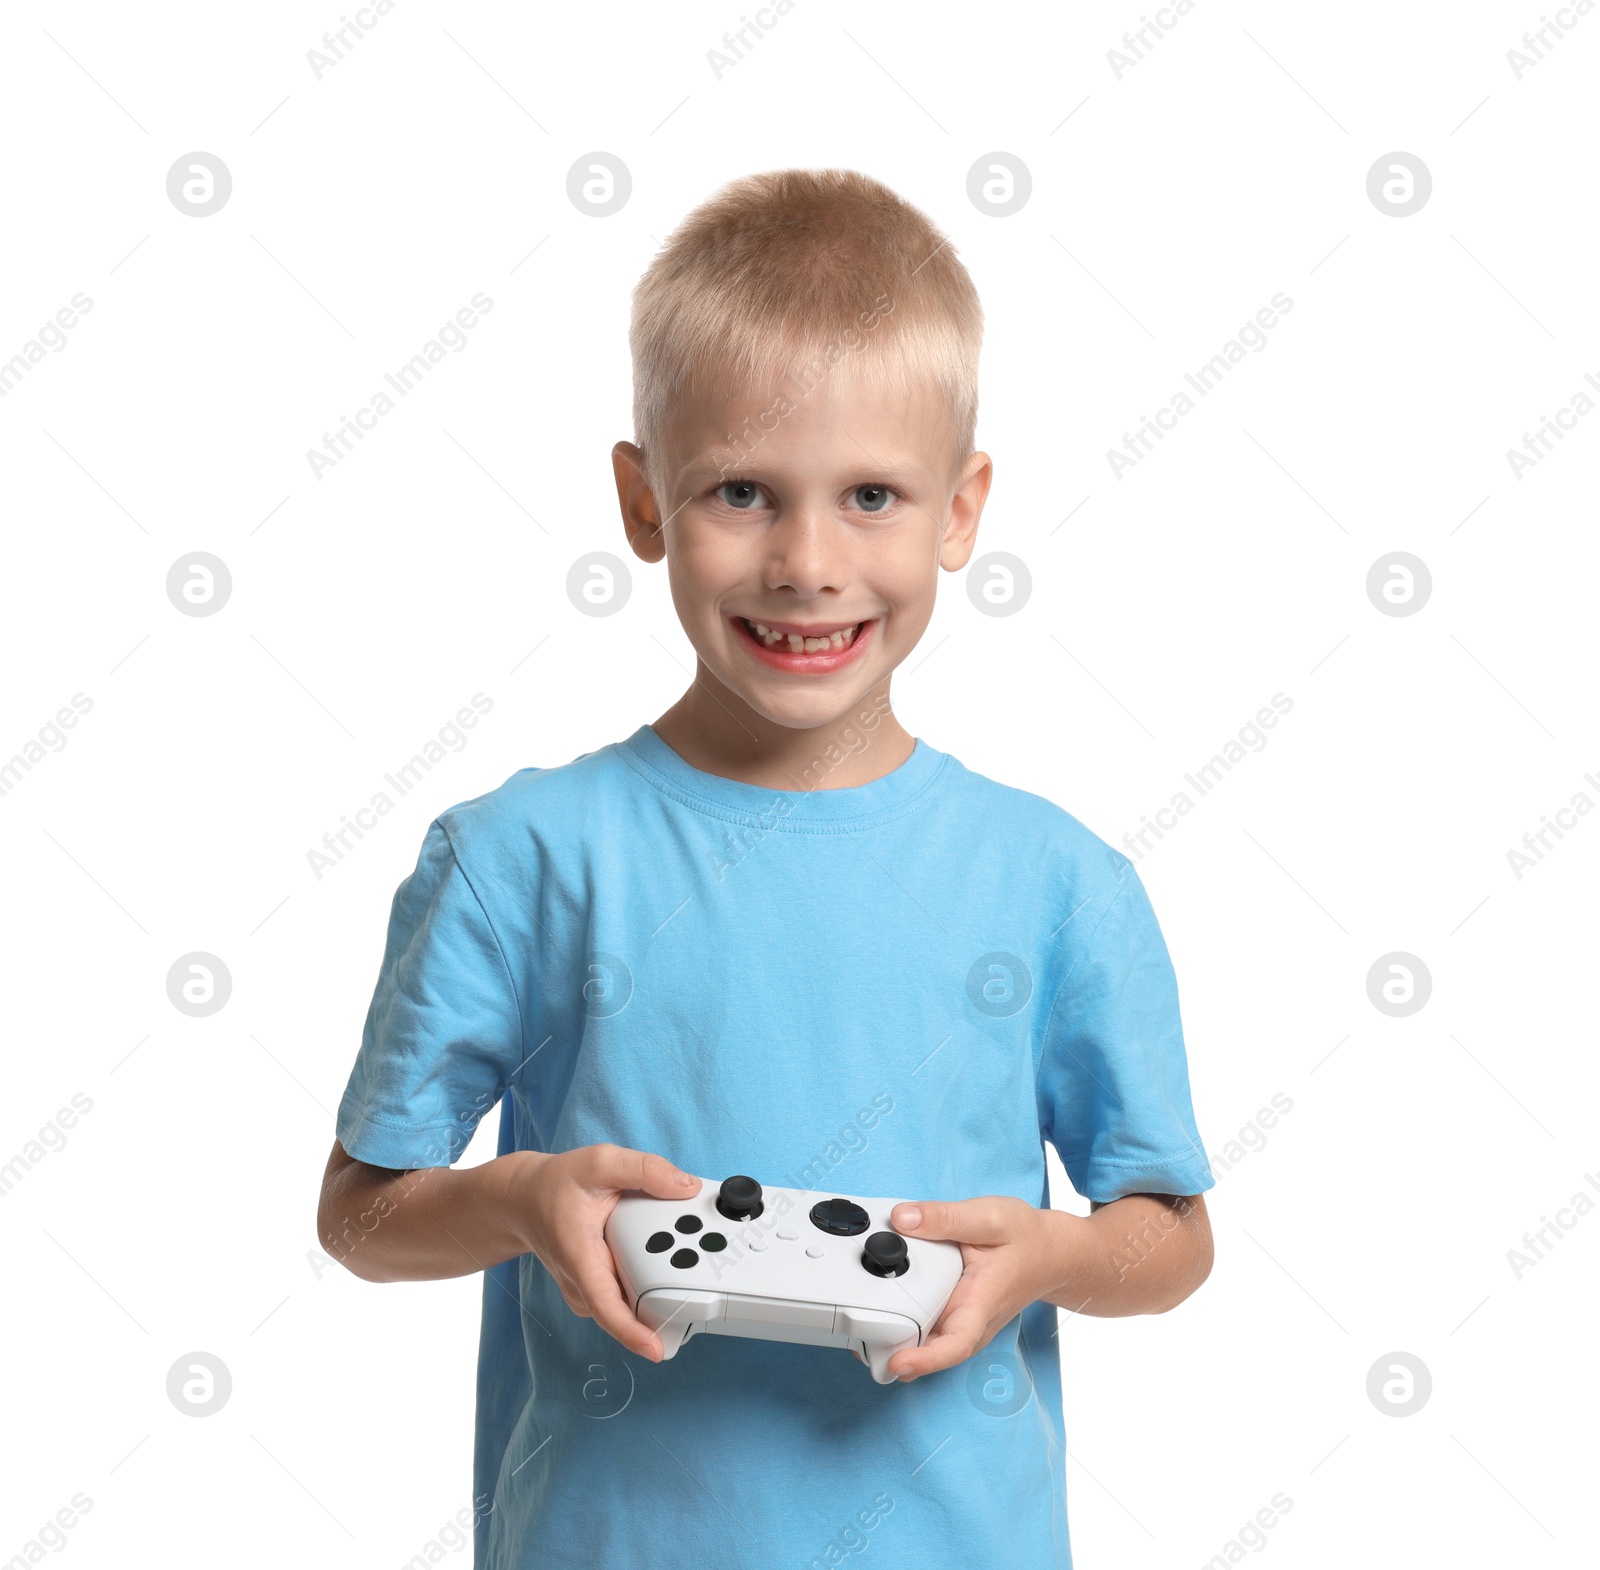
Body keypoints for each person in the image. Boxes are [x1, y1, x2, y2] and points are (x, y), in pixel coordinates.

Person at [317, 167, 1215, 1570]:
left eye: (872, 496)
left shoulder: (1058, 881)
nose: (807, 562)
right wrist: (517, 1201)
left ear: (962, 512)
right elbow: (362, 1213)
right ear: (642, 498)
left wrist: (1047, 1255)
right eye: (742, 490)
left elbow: (1167, 1236)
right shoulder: (518, 858)